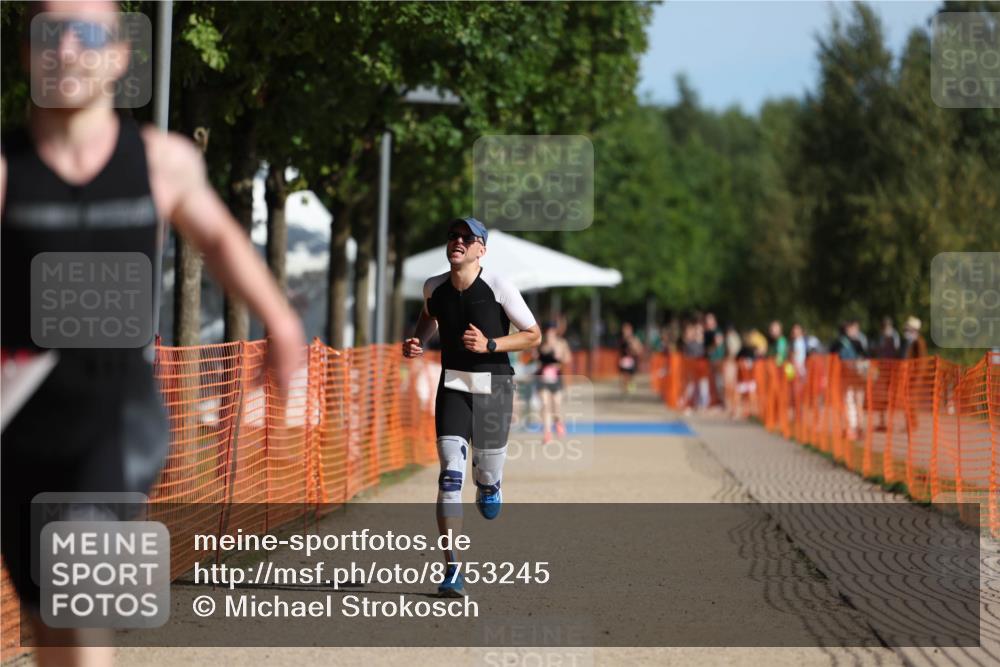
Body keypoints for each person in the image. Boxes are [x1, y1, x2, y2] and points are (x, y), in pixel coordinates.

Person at [0, 3, 304, 665]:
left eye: (88, 34)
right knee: (48, 617)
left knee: (81, 576)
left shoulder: (162, 162)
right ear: (26, 53)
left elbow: (220, 239)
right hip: (21, 421)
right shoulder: (5, 170)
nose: (67, 50)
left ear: (119, 56)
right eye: (49, 33)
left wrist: (281, 322)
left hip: (120, 414)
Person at [402, 217, 540, 597]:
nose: (458, 241)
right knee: (449, 477)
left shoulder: (499, 287)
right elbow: (428, 317)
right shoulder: (434, 287)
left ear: (482, 249)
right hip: (455, 386)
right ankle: (452, 569)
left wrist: (491, 345)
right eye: (453, 236)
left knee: (486, 474)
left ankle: (490, 483)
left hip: (495, 388)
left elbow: (533, 335)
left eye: (467, 237)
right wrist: (417, 341)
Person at [534, 322, 572, 444]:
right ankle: (547, 433)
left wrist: (559, 355)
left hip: (556, 377)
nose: (549, 334)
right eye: (547, 332)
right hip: (543, 377)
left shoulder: (561, 343)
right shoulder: (541, 343)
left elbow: (568, 359)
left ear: (555, 332)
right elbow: (535, 359)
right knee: (545, 405)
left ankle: (558, 422)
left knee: (556, 406)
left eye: (551, 331)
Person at [618, 321, 642, 396]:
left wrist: (634, 350)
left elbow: (638, 349)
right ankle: (625, 388)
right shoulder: (622, 339)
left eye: (627, 329)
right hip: (624, 359)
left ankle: (630, 387)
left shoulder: (633, 339)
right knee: (624, 375)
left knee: (630, 375)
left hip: (630, 359)